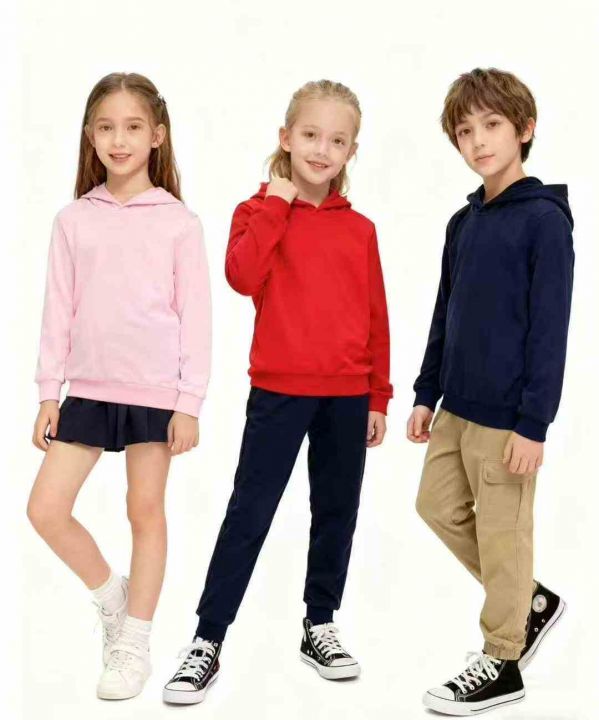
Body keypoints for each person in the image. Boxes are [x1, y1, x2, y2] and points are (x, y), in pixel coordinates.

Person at [163, 79, 392, 705]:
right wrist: (277, 201)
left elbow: (376, 314)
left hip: (347, 394)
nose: (322, 149)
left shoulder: (360, 230)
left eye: (337, 141)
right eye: (310, 135)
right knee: (250, 512)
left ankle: (320, 623)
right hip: (280, 390)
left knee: (337, 511)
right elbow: (242, 276)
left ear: (351, 151)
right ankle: (208, 639)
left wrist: (378, 395)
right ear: (285, 138)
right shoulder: (257, 212)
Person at [27, 72, 211, 701]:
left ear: (157, 135)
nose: (119, 139)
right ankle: (113, 598)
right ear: (90, 135)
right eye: (106, 127)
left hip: (155, 393)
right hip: (87, 389)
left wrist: (189, 403)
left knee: (144, 510)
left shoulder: (179, 223)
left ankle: (134, 640)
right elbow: (58, 309)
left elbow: (196, 319)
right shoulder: (73, 220)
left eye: (133, 127)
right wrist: (48, 391)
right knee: (45, 509)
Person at [407, 68, 573, 715]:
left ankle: (503, 659)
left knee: (504, 534)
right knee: (434, 505)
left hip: (508, 417)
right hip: (456, 407)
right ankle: (529, 599)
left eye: (492, 125)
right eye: (464, 131)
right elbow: (443, 311)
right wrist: (426, 392)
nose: (477, 140)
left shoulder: (544, 222)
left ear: (523, 129)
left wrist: (534, 423)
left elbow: (549, 330)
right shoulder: (462, 223)